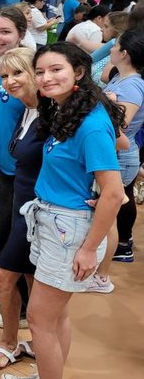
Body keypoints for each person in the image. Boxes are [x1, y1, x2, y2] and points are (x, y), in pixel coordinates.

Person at [21, 42, 124, 379]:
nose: (46, 78)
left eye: (56, 70)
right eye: (40, 72)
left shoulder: (90, 123)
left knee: (39, 320)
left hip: (69, 228)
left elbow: (114, 193)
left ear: (78, 72)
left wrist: (89, 248)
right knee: (54, 316)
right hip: (53, 220)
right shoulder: (69, 110)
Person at [0, 48, 40, 371]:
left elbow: (111, 142)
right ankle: (24, 343)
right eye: (4, 76)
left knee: (2, 276)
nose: (10, 81)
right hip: (22, 204)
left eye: (18, 73)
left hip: (40, 213)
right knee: (29, 279)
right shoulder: (27, 110)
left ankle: (9, 343)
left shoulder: (54, 113)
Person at [0, 7, 31, 328]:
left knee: (22, 238)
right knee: (5, 230)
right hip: (4, 167)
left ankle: (23, 308)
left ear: (21, 34)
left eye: (5, 32)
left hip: (25, 171)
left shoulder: (31, 71)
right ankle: (8, 296)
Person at [100, 30, 144, 267]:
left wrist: (109, 103)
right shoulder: (120, 78)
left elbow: (121, 124)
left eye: (115, 45)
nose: (110, 49)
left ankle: (123, 244)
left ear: (125, 53)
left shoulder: (132, 85)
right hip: (117, 151)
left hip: (122, 153)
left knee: (117, 201)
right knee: (118, 198)